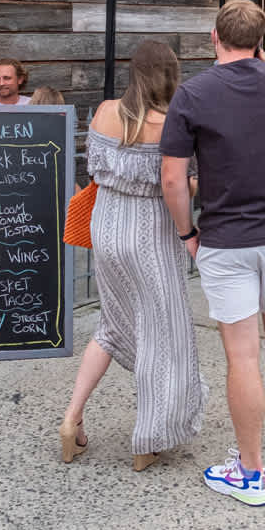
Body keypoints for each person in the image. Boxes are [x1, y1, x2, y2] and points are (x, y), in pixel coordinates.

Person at [161, 0, 265, 508]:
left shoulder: (192, 94)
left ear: (214, 37)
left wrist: (187, 233)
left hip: (226, 237)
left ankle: (251, 472)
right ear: (262, 39)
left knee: (242, 354)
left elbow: (173, 179)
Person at [58, 41, 205, 472]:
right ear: (171, 75)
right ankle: (148, 439)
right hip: (149, 233)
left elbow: (95, 169)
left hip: (106, 226)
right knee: (163, 330)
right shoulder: (171, 123)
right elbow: (177, 184)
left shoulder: (104, 112)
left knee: (111, 325)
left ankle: (71, 419)